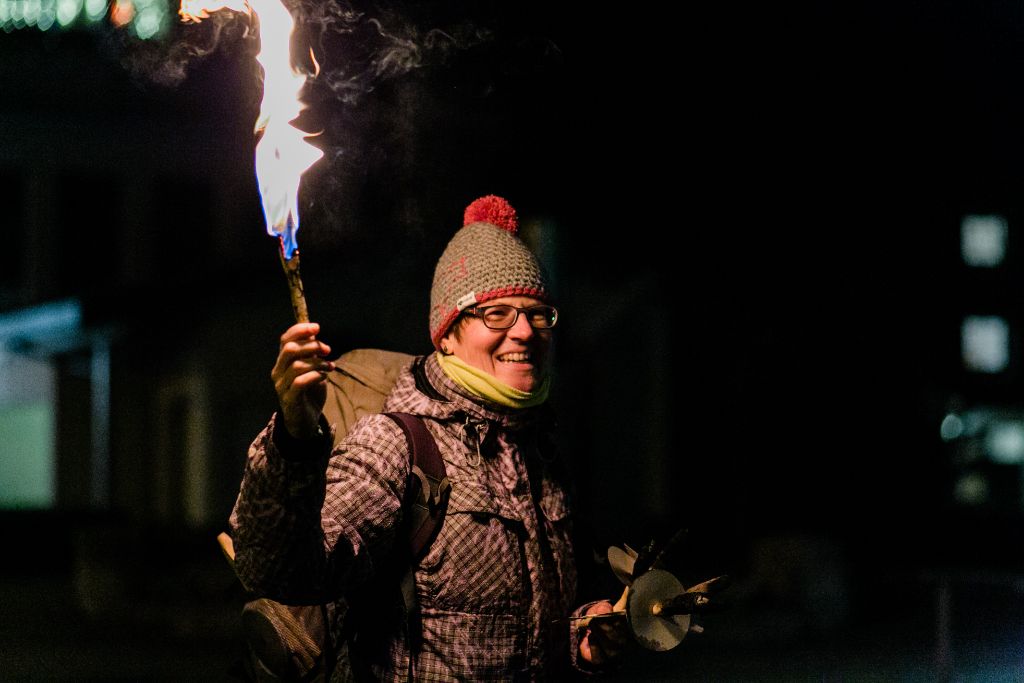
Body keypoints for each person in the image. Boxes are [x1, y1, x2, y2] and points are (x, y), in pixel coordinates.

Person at [229, 195, 626, 680]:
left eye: (538, 313)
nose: (525, 331)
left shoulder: (539, 451)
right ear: (448, 336)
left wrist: (582, 637)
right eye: (496, 313)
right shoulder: (400, 445)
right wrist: (294, 438)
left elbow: (519, 626)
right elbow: (288, 571)